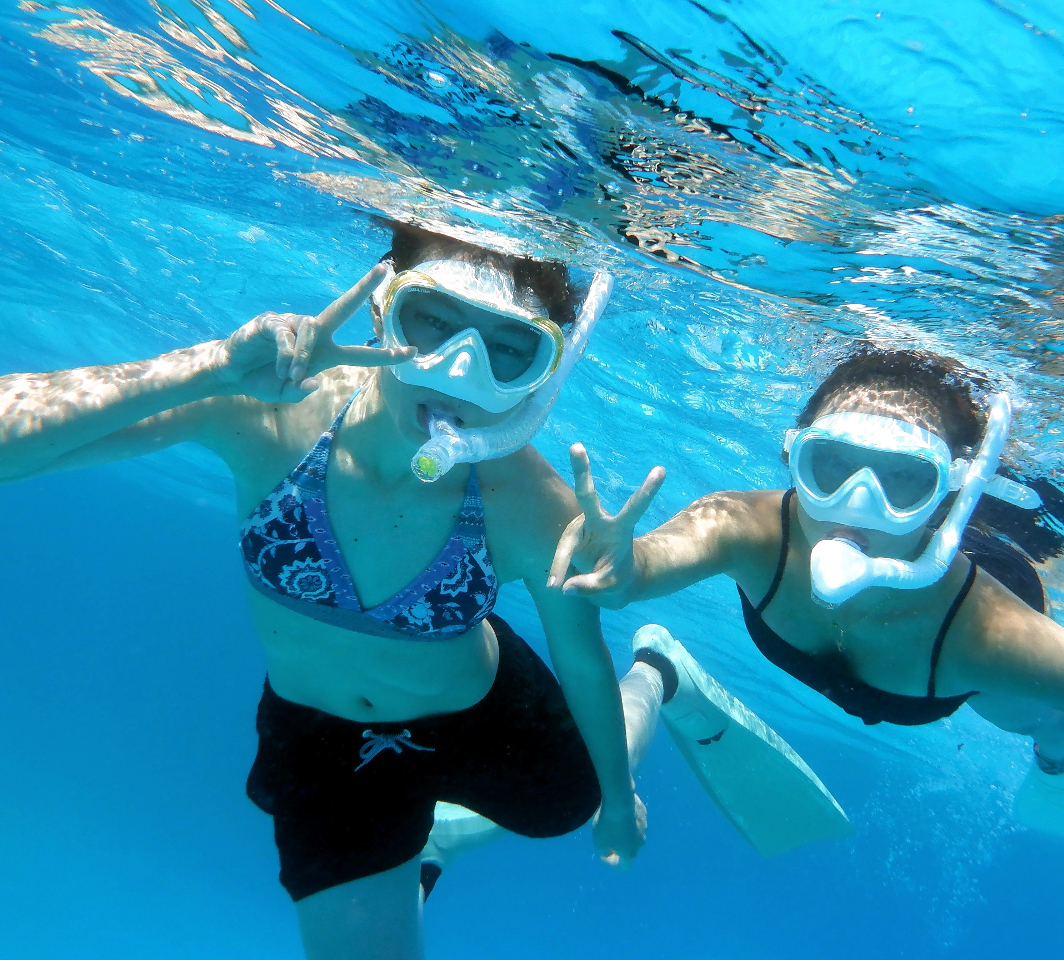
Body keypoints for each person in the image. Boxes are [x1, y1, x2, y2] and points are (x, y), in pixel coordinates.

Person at [0, 224, 651, 960]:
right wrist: (208, 370)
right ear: (382, 307)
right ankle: (418, 850)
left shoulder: (532, 505)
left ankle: (656, 674)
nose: (458, 369)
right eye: (430, 320)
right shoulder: (272, 412)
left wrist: (618, 797)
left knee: (575, 804)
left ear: (543, 373)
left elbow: (583, 661)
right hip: (325, 744)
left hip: (485, 718)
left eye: (509, 349)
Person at [549, 346, 1064, 857]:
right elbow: (644, 567)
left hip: (986, 577)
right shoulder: (745, 529)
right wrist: (622, 566)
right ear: (793, 458)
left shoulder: (987, 634)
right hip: (928, 598)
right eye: (830, 467)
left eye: (902, 481)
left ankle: (1059, 763)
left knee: (1049, 710)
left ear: (950, 496)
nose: (855, 507)